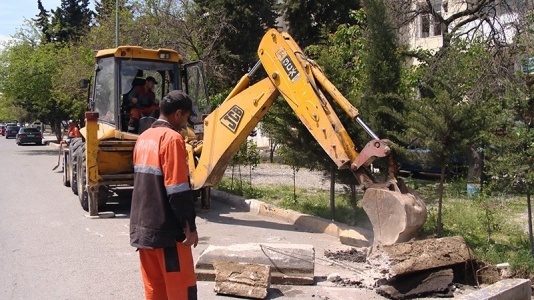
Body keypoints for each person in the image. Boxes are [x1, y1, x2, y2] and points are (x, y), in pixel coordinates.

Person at [130, 90, 199, 300]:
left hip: (143, 232)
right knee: (181, 291)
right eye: (187, 117)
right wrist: (190, 226)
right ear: (178, 114)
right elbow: (177, 190)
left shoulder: (143, 138)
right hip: (168, 235)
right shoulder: (172, 139)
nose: (186, 123)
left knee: (155, 291)